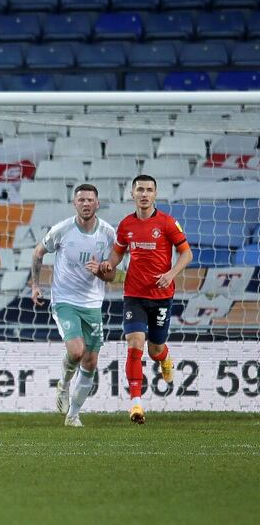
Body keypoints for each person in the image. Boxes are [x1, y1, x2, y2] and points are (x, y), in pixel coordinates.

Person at [98, 175, 192, 425]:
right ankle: (136, 404)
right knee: (135, 344)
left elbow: (186, 253)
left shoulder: (168, 223)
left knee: (155, 349)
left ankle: (165, 358)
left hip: (161, 296)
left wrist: (171, 274)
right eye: (140, 189)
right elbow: (117, 254)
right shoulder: (126, 225)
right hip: (134, 295)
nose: (144, 194)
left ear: (155, 195)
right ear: (132, 194)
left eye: (149, 190)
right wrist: (109, 264)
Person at [30, 184, 116, 428]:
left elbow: (113, 275)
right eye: (81, 200)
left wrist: (101, 271)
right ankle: (64, 385)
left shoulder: (109, 235)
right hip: (65, 300)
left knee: (90, 362)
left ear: (97, 204)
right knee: (77, 352)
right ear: (74, 204)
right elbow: (38, 252)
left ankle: (73, 415)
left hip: (93, 304)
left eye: (90, 200)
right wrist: (35, 286)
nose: (86, 204)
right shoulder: (63, 230)